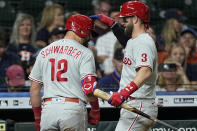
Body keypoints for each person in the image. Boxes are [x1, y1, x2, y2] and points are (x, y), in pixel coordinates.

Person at [90, 1, 158, 130]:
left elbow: (145, 71)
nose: (123, 22)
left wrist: (123, 94)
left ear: (136, 18)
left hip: (138, 103)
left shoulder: (143, 42)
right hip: (137, 102)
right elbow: (125, 39)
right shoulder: (135, 40)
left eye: (125, 18)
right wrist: (112, 24)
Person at [29, 14, 100, 131]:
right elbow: (89, 88)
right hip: (72, 109)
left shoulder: (44, 51)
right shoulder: (85, 52)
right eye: (90, 33)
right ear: (81, 30)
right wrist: (95, 109)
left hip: (48, 110)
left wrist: (38, 118)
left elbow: (35, 88)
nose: (90, 37)